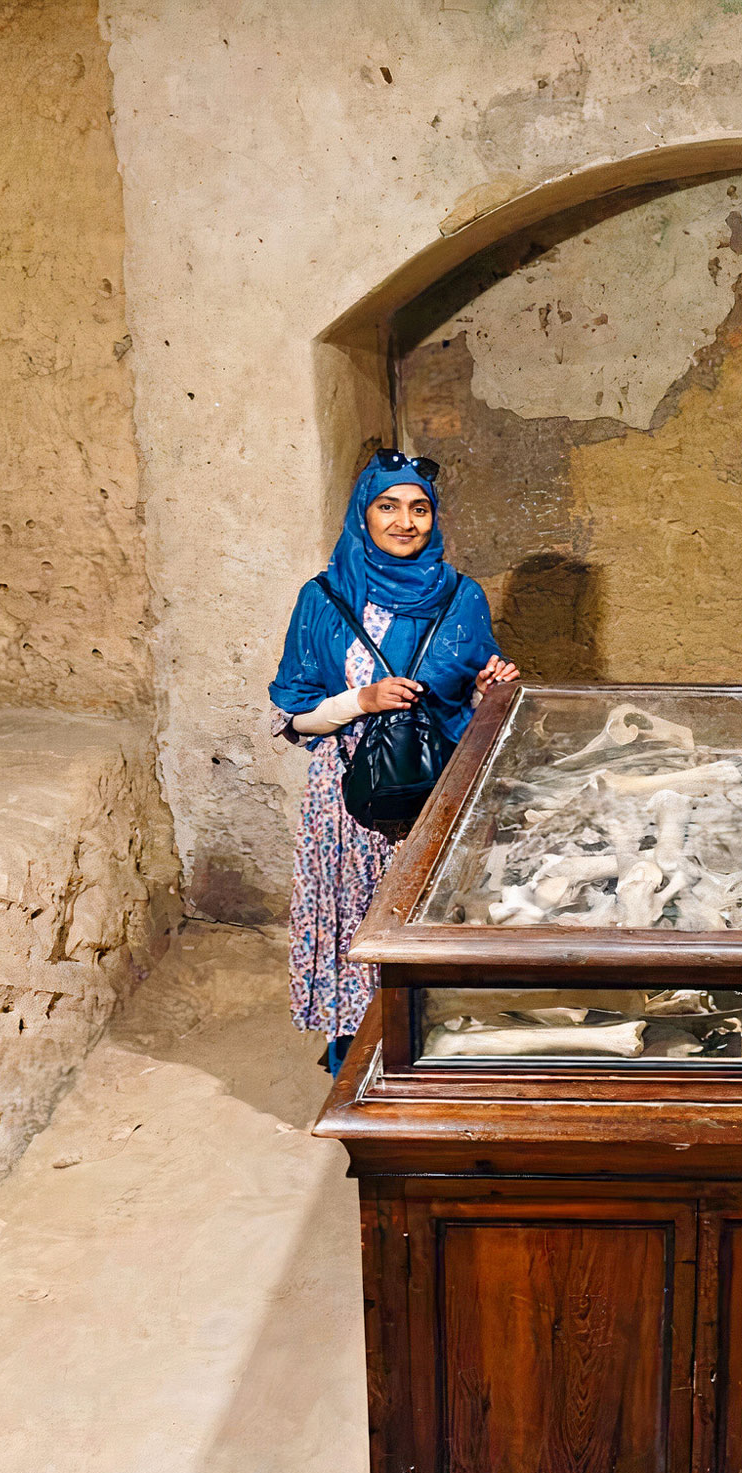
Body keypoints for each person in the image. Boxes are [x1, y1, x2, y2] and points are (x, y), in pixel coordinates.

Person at [271, 449, 517, 1075]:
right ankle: (356, 1050)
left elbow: (471, 698)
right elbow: (297, 716)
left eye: (420, 508)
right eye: (389, 506)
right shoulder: (323, 599)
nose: (405, 522)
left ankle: (431, 1043)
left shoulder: (462, 597)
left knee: (427, 916)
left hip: (435, 790)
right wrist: (362, 699)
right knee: (358, 916)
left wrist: (492, 689)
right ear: (363, 515)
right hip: (353, 800)